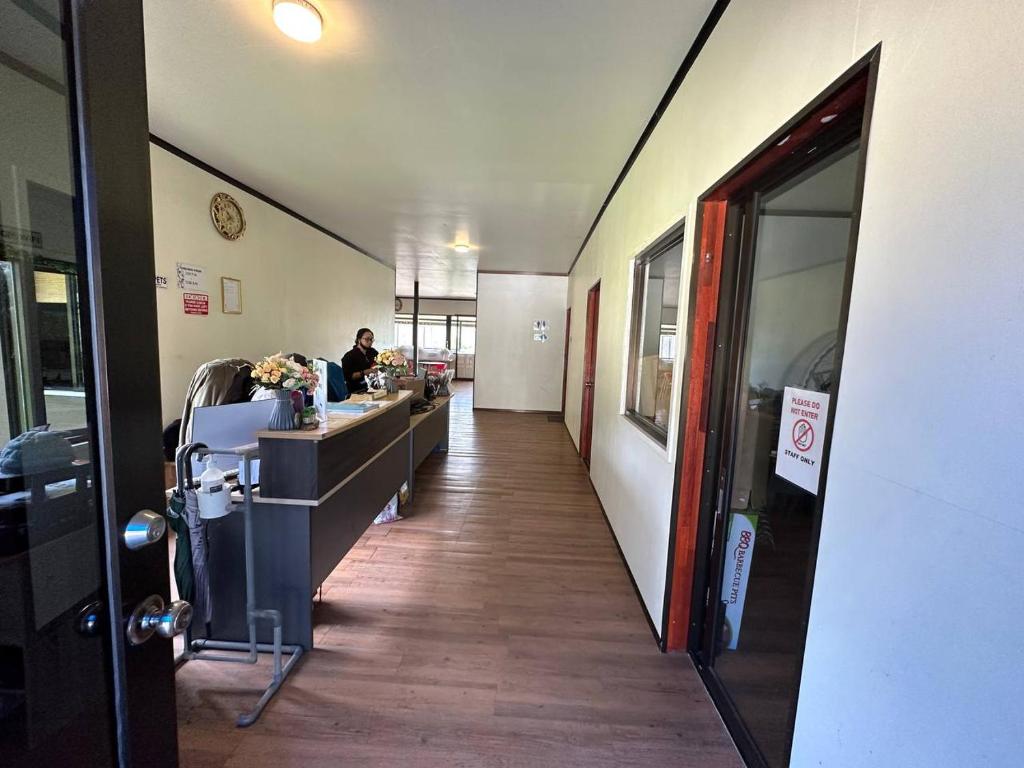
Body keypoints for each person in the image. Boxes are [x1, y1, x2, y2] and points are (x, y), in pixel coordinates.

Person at [341, 328, 378, 394]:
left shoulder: (373, 352)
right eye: (367, 339)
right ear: (359, 340)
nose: (370, 342)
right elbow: (347, 377)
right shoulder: (349, 356)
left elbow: (381, 364)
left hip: (374, 387)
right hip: (356, 390)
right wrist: (364, 372)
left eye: (371, 339)